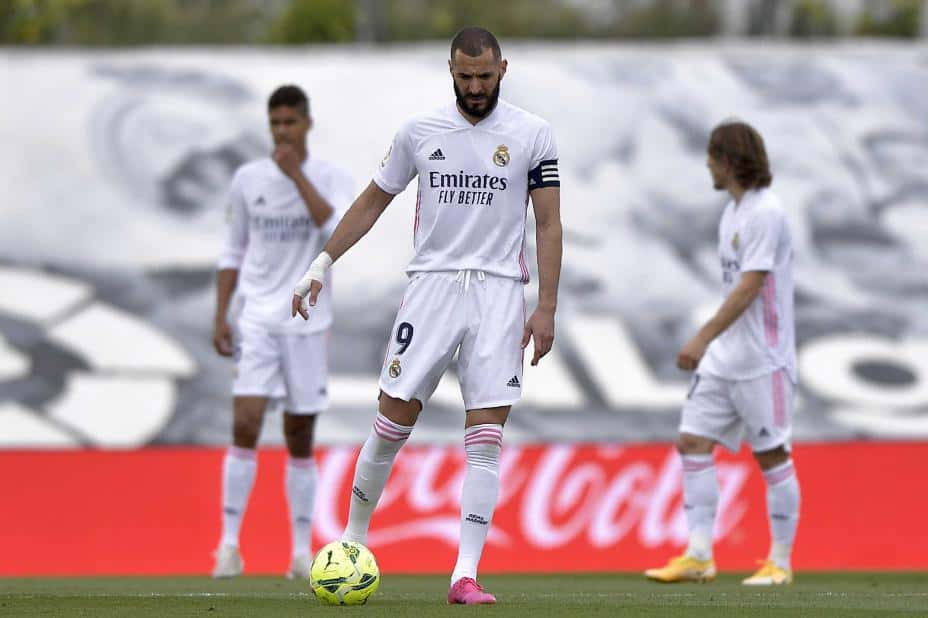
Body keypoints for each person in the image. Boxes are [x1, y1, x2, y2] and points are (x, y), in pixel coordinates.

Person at [291, 27, 562, 605]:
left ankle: (465, 574)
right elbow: (372, 200)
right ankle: (352, 542)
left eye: (484, 76)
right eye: (465, 77)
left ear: (503, 69)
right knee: (391, 421)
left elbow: (548, 222)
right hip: (432, 288)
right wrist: (321, 263)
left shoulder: (533, 134)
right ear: (451, 71)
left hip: (498, 293)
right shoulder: (419, 131)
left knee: (485, 437)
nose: (475, 87)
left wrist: (546, 306)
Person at [645, 120, 800, 586]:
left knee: (772, 455)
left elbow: (750, 286)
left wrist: (702, 337)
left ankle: (780, 562)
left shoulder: (766, 212)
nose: (708, 167)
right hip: (724, 360)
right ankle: (699, 555)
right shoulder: (732, 213)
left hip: (763, 361)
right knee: (692, 441)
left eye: (712, 158)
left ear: (728, 161)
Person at [212, 85, 353, 579]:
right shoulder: (247, 179)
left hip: (307, 321)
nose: (282, 131)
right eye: (275, 123)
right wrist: (220, 314)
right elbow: (233, 249)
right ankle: (228, 546)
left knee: (299, 433)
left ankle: (298, 552)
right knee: (246, 422)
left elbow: (335, 232)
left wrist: (296, 176)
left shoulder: (330, 177)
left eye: (290, 122)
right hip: (256, 317)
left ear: (307, 124)